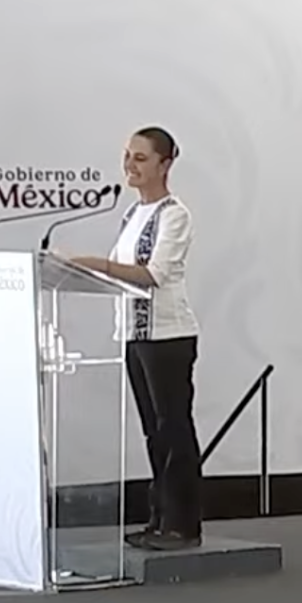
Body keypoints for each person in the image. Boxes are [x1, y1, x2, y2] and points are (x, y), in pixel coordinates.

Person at [64, 126, 200, 551]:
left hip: (167, 335)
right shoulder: (132, 214)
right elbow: (122, 272)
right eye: (127, 156)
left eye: (140, 158)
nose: (130, 165)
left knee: (173, 430)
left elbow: (153, 274)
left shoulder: (173, 214)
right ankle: (159, 519)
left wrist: (96, 264)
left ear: (165, 164)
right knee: (153, 432)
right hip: (135, 334)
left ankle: (183, 524)